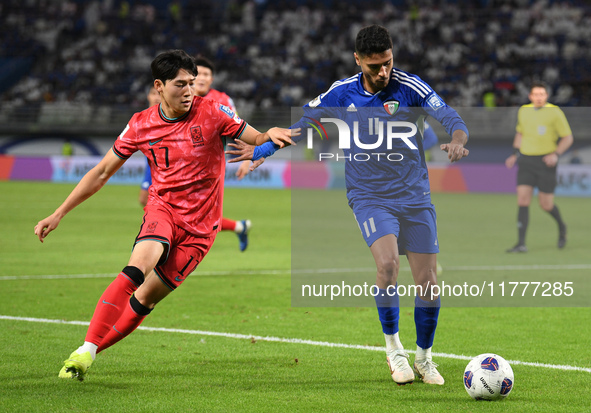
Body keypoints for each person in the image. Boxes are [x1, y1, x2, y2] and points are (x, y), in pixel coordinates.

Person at [34, 49, 296, 381]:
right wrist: (59, 213)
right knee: (137, 268)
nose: (188, 91)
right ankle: (85, 348)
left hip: (202, 228)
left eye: (191, 83)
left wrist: (269, 139)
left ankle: (90, 353)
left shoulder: (214, 112)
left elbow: (256, 137)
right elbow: (101, 172)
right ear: (159, 86)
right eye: (180, 84)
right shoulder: (140, 124)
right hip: (164, 210)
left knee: (145, 298)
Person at [229, 25, 469, 386]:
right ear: (358, 60)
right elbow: (303, 126)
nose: (383, 72)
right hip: (369, 196)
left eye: (387, 63)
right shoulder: (341, 93)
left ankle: (425, 357)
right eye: (375, 66)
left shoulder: (411, 86)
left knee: (429, 283)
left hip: (415, 197)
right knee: (387, 265)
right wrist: (263, 149)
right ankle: (394, 350)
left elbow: (450, 116)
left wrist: (457, 140)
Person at [139, 76, 252, 251]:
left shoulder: (218, 101)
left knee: (193, 212)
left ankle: (162, 240)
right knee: (147, 199)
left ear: (211, 78)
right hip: (158, 159)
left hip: (198, 164)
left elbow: (237, 127)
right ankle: (238, 227)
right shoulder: (157, 111)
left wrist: (246, 158)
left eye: (206, 74)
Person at [505, 82, 573, 253]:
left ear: (547, 96)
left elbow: (568, 138)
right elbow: (520, 133)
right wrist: (514, 154)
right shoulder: (524, 111)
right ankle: (521, 244)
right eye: (536, 94)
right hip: (526, 160)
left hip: (545, 162)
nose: (539, 97)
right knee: (522, 200)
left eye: (542, 94)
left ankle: (562, 226)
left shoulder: (555, 112)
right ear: (530, 96)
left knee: (546, 205)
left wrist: (556, 154)